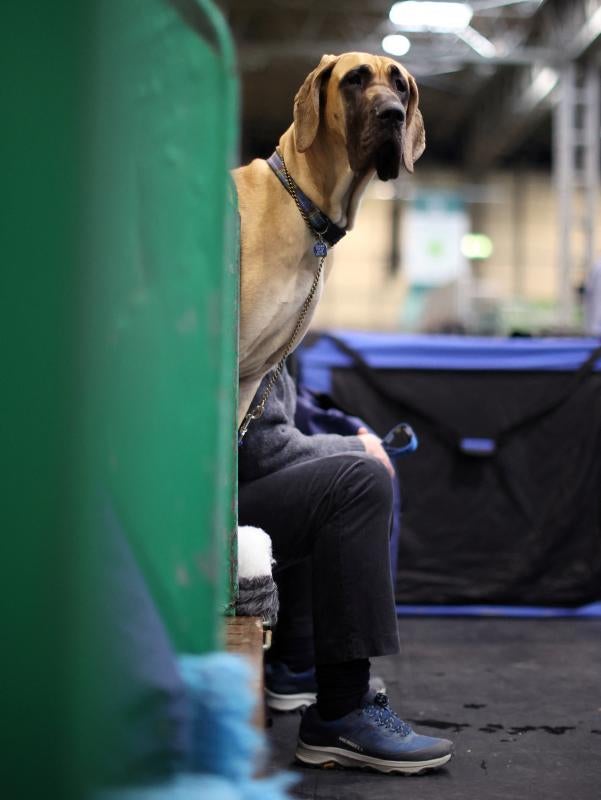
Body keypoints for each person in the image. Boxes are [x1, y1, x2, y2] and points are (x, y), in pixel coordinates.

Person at [238, 364, 453, 774]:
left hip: (211, 493)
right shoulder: (250, 310)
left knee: (325, 485)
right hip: (201, 507)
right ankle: (342, 708)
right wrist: (358, 447)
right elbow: (261, 451)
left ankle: (298, 665)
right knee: (358, 481)